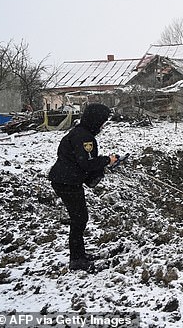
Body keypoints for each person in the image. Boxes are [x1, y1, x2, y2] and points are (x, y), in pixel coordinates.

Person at [48, 103, 117, 271]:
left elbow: (81, 161)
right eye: (102, 121)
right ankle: (77, 260)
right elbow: (86, 163)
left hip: (65, 180)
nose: (103, 125)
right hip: (67, 183)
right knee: (79, 219)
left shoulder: (79, 133)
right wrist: (107, 160)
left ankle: (79, 255)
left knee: (79, 219)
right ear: (95, 120)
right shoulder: (85, 138)